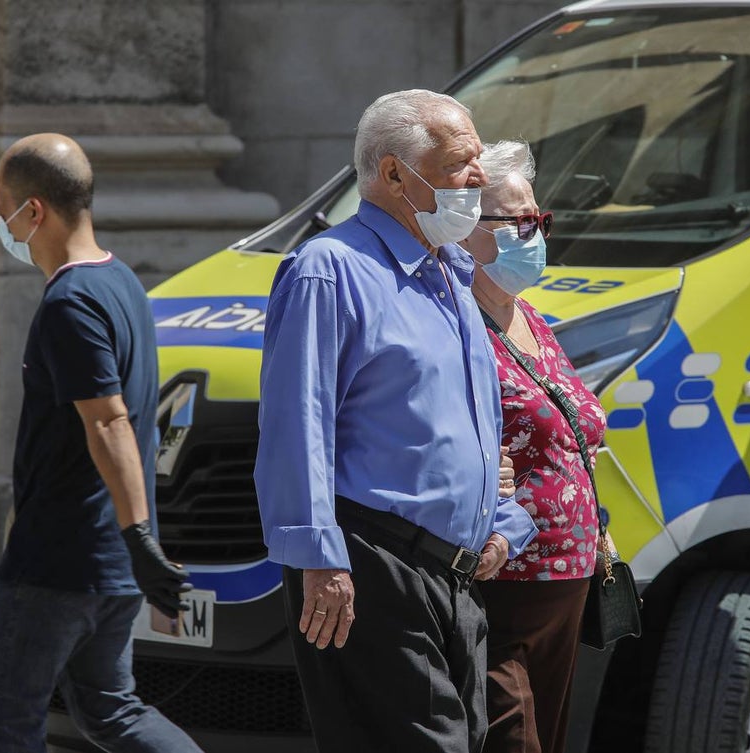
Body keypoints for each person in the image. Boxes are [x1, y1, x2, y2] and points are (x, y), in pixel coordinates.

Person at [254, 90, 539, 753]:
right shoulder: (330, 270)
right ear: (392, 174)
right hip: (372, 565)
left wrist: (498, 525)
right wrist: (320, 560)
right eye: (460, 162)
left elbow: (468, 421)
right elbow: (299, 423)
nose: (478, 177)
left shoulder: (451, 274)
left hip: (454, 576)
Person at [0, 133, 202, 753]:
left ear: (34, 211)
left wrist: (140, 539)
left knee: (9, 719)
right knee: (111, 712)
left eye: (1, 204)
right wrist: (137, 544)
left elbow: (109, 423)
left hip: (58, 559)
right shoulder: (122, 282)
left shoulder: (70, 301)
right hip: (109, 563)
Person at [460, 140, 608, 753]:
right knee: (510, 737)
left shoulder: (531, 318)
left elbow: (570, 436)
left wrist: (597, 523)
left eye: (538, 219)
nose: (534, 232)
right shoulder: (454, 322)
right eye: (518, 220)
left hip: (569, 577)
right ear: (463, 229)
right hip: (504, 578)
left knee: (549, 736)